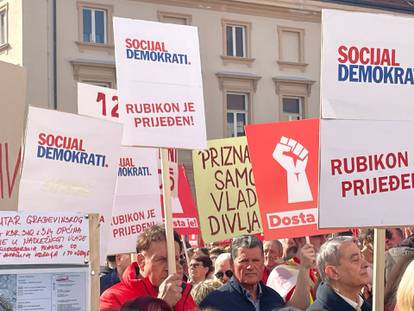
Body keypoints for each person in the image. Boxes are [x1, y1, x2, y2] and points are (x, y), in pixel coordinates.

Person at [100, 224, 197, 311]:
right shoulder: (113, 298)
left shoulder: (183, 295)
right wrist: (162, 304)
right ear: (141, 261)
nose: (170, 266)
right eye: (161, 259)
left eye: (176, 258)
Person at [199, 235, 286, 310]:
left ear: (263, 263)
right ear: (232, 264)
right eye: (244, 261)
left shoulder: (275, 300)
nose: (250, 267)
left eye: (255, 260)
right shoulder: (214, 303)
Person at [307, 236, 371, 311]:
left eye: (362, 256)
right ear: (333, 272)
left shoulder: (363, 305)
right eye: (355, 259)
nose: (366, 264)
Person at [266, 237, 317, 309]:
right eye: (319, 236)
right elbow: (296, 308)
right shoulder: (281, 271)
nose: (324, 240)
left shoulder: (316, 269)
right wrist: (304, 268)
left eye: (326, 236)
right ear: (300, 240)